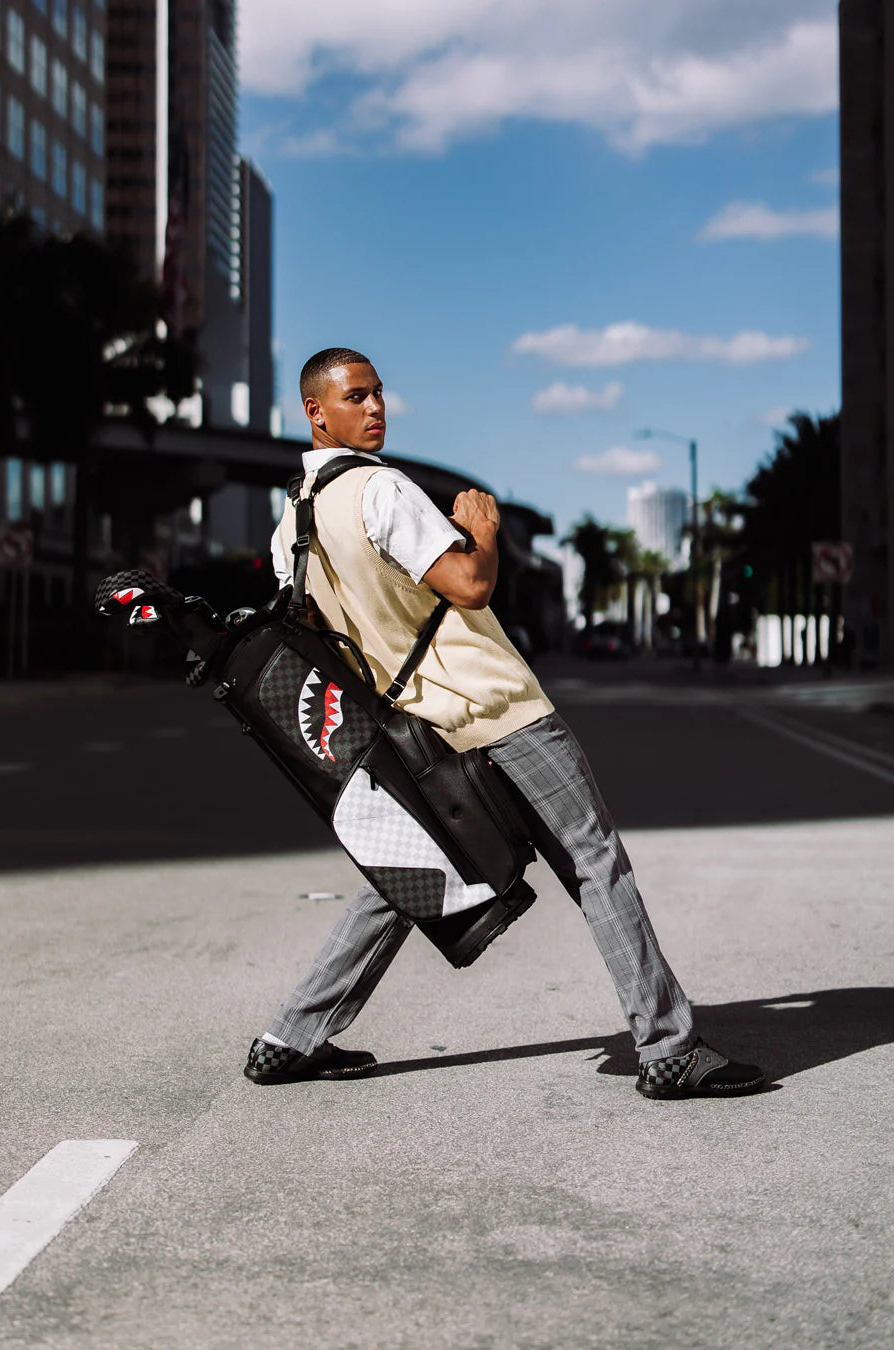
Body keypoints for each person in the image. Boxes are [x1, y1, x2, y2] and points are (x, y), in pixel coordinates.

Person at [244, 348, 765, 1100]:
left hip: (416, 731)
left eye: (379, 393)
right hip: (495, 709)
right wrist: (478, 528)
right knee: (594, 859)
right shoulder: (382, 490)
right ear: (317, 413)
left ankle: (290, 1035)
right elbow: (471, 584)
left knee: (407, 876)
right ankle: (669, 1046)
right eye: (356, 397)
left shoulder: (291, 523)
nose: (376, 408)